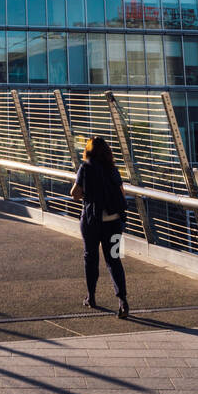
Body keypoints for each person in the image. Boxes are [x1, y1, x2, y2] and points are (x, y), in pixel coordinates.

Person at [69, 136, 129, 317]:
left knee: (91, 258)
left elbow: (75, 194)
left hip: (92, 222)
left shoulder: (85, 168)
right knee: (114, 260)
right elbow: (122, 194)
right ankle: (123, 301)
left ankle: (91, 296)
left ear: (88, 151)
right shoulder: (113, 170)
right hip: (114, 222)